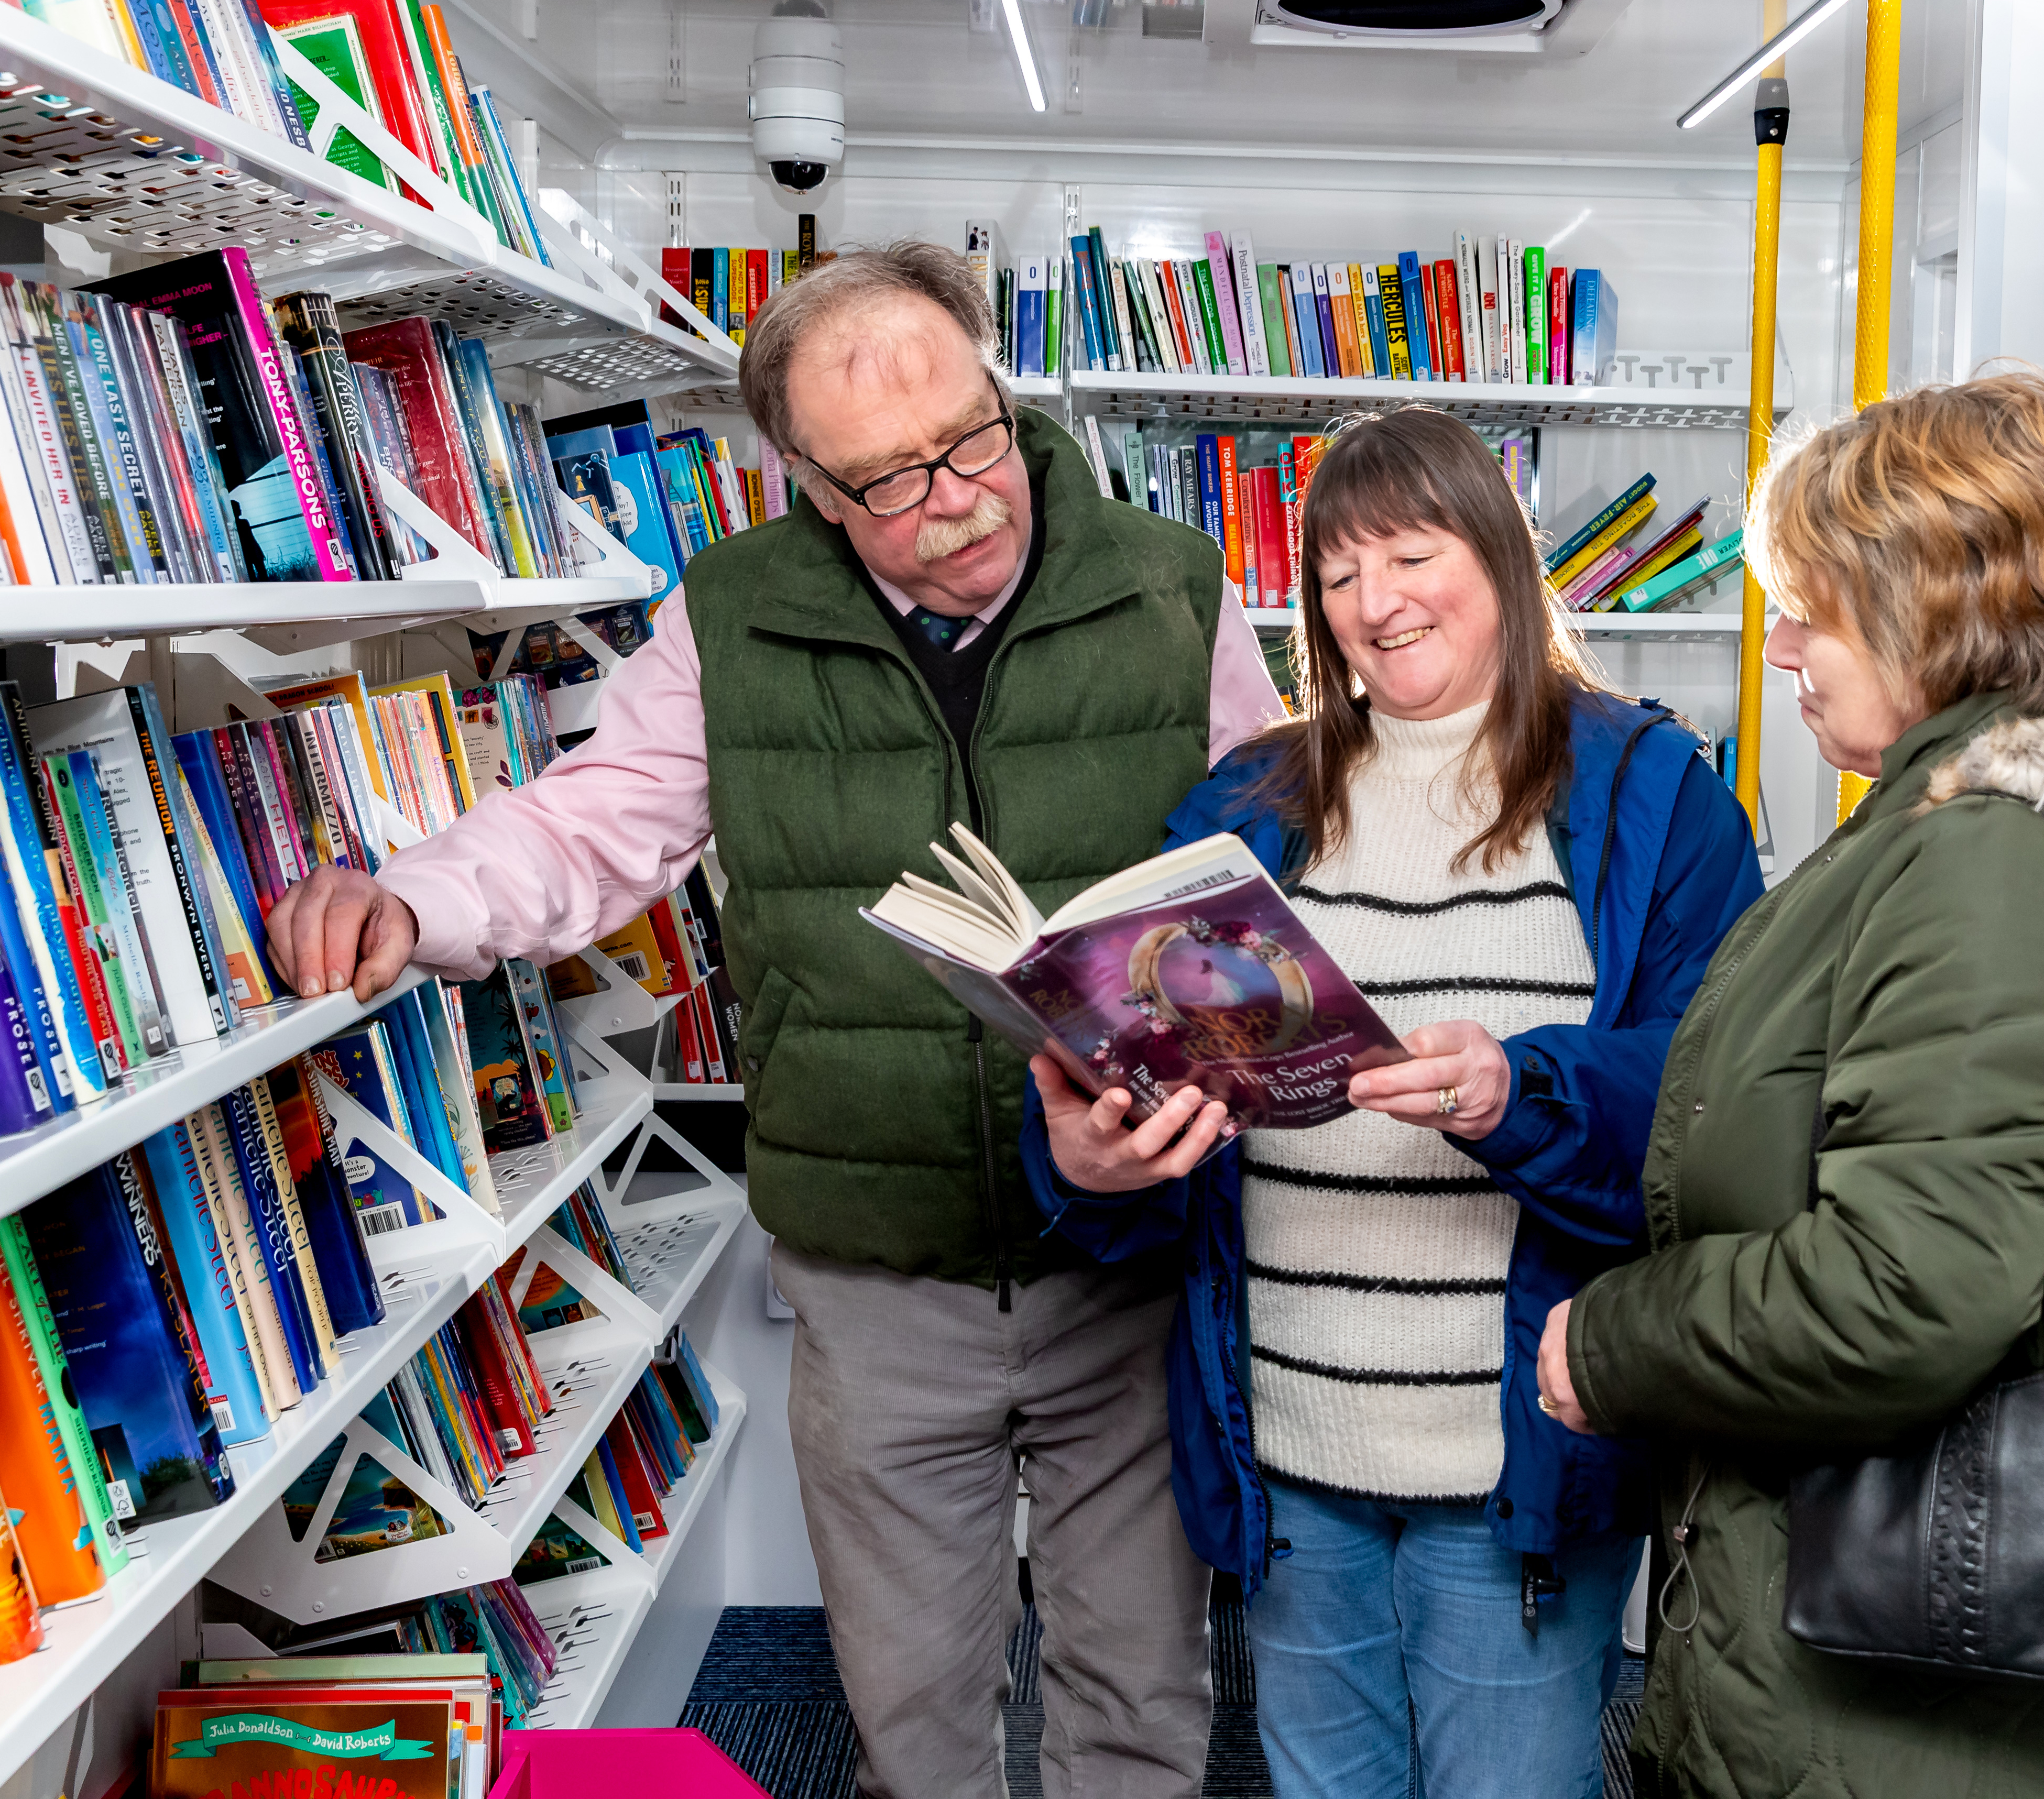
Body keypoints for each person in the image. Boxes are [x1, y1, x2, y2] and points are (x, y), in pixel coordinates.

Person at [261, 242, 1288, 1799]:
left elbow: (1260, 849)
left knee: (1143, 1691)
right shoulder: (729, 616)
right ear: (804, 482)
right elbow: (594, 820)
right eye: (891, 481)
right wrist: (418, 899)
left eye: (974, 440)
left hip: (1132, 1254)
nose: (960, 501)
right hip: (875, 1265)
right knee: (909, 1711)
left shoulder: (1171, 581)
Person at [1535, 371, 2044, 1799]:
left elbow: (1902, 1293)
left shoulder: (1999, 858)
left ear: (1941, 607)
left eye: (1815, 603)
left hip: (1945, 1710)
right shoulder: (2009, 818)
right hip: (1923, 1688)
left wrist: (1610, 1347)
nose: (1786, 641)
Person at [1020, 405, 1762, 1799]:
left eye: (1412, 554)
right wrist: (1090, 1156)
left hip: (1519, 1465)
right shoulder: (1243, 806)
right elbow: (1140, 1076)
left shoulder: (1653, 792)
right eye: (1341, 573)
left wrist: (1518, 1090)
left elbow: (1719, 1105)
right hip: (1290, 1451)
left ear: (1499, 561)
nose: (1375, 603)